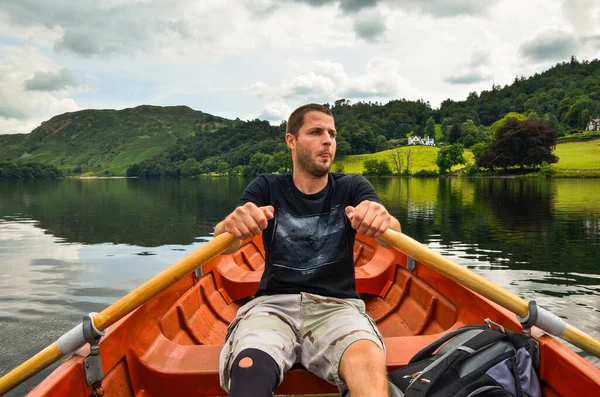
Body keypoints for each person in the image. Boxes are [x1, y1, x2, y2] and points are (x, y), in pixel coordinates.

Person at [214, 103, 402, 397]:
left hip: (337, 306)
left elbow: (393, 236)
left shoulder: (353, 187)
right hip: (273, 306)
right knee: (249, 364)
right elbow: (225, 243)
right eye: (315, 132)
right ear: (291, 140)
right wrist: (231, 223)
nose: (327, 140)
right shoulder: (266, 186)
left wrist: (382, 219)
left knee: (367, 357)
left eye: (332, 133)